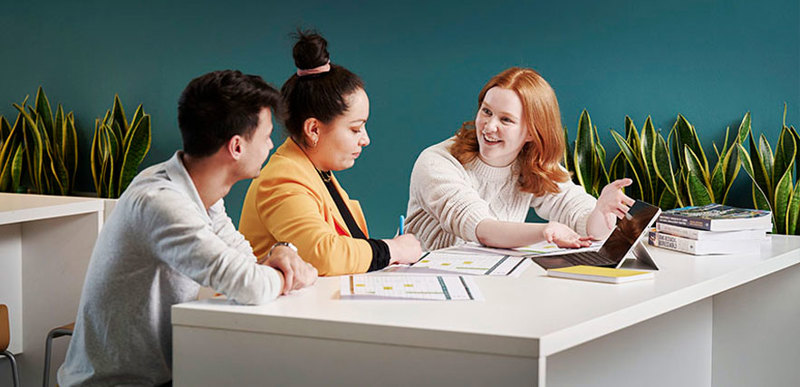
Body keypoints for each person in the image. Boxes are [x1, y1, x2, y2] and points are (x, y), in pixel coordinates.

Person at [58, 70, 317, 386]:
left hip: (165, 374)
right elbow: (250, 285)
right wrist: (288, 269)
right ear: (237, 146)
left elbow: (244, 265)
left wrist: (281, 252)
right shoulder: (159, 202)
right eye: (265, 136)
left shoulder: (200, 190)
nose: (271, 144)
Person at [239, 31, 421, 276]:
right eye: (356, 128)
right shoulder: (281, 179)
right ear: (314, 129)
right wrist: (392, 250)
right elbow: (322, 254)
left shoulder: (315, 170)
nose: (365, 140)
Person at [405, 67, 635, 251]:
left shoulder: (531, 163)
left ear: (532, 132)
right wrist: (546, 232)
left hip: (491, 282)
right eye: (486, 111)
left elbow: (588, 226)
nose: (489, 126)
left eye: (506, 120)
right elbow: (481, 229)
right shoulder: (437, 162)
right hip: (425, 280)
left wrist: (601, 212)